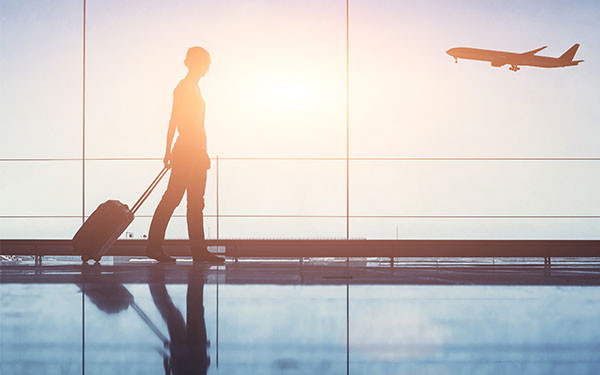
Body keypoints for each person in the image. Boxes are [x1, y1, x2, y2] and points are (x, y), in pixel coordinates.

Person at [147, 46, 224, 263]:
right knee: (173, 198)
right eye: (206, 62)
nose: (208, 66)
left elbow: (198, 125)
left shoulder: (195, 89)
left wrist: (203, 151)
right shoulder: (184, 87)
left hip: (197, 152)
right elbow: (174, 120)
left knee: (195, 203)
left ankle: (199, 251)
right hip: (187, 151)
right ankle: (154, 246)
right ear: (197, 63)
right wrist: (168, 150)